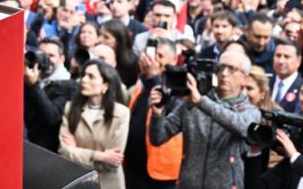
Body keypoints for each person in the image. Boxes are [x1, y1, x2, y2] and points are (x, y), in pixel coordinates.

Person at [147, 49, 261, 189]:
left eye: (232, 69)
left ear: (244, 77)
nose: (224, 74)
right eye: (220, 67)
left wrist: (201, 102)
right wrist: (158, 113)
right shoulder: (192, 103)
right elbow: (157, 138)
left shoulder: (250, 111)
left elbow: (241, 126)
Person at [59, 60, 130, 189]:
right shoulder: (70, 108)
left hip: (108, 184)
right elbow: (64, 153)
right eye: (84, 75)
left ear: (105, 86)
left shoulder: (121, 113)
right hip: (77, 182)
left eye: (91, 76)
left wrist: (76, 151)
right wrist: (100, 156)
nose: (84, 80)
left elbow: (112, 163)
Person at [124, 38, 182, 189]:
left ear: (174, 59)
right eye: (151, 55)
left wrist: (153, 77)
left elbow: (165, 104)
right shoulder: (142, 83)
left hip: (160, 174)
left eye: (160, 56)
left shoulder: (178, 86)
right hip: (134, 168)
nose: (153, 61)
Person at [25, 39, 76, 152]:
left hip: (46, 150)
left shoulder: (68, 85)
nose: (46, 60)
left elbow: (52, 117)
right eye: (42, 55)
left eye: (51, 55)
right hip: (25, 142)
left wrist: (33, 85)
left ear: (61, 59)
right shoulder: (29, 76)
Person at [270, 40, 303, 113]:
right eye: (278, 55)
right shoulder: (265, 83)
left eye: (287, 57)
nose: (281, 61)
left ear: (298, 61)